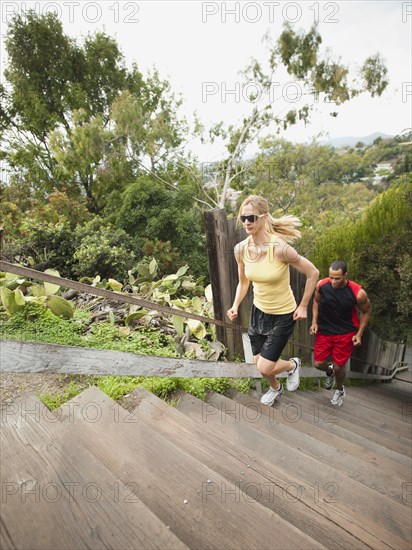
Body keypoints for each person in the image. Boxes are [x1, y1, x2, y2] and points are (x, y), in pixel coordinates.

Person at [227, 195, 319, 406]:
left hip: (283, 314)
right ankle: (276, 388)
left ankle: (292, 366)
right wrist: (234, 305)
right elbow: (243, 283)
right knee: (259, 363)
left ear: (263, 218)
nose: (247, 222)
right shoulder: (240, 249)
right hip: (258, 312)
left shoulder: (280, 248)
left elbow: (313, 273)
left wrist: (304, 305)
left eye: (251, 217)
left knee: (265, 367)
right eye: (243, 218)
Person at [310, 260, 372, 406]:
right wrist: (314, 322)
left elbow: (367, 311)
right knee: (318, 364)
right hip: (325, 330)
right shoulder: (321, 285)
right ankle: (329, 372)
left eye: (337, 278)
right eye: (331, 277)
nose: (333, 281)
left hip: (345, 333)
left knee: (339, 367)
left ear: (345, 275)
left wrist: (359, 334)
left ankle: (339, 389)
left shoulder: (358, 293)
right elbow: (316, 302)